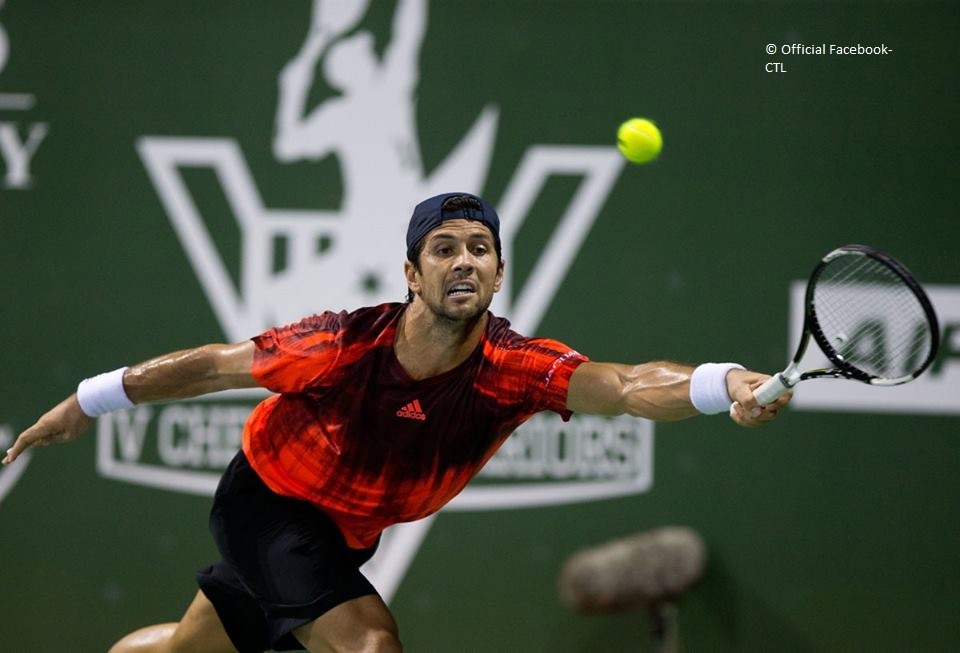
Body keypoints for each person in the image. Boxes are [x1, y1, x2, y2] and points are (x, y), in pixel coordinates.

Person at [3, 192, 790, 653]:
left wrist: (726, 384)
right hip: (267, 503)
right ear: (411, 273)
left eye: (480, 249)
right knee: (370, 641)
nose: (464, 261)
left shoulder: (513, 368)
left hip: (345, 532)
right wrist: (89, 399)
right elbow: (212, 365)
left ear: (499, 272)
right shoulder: (342, 343)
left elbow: (621, 385)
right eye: (443, 248)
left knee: (192, 648)